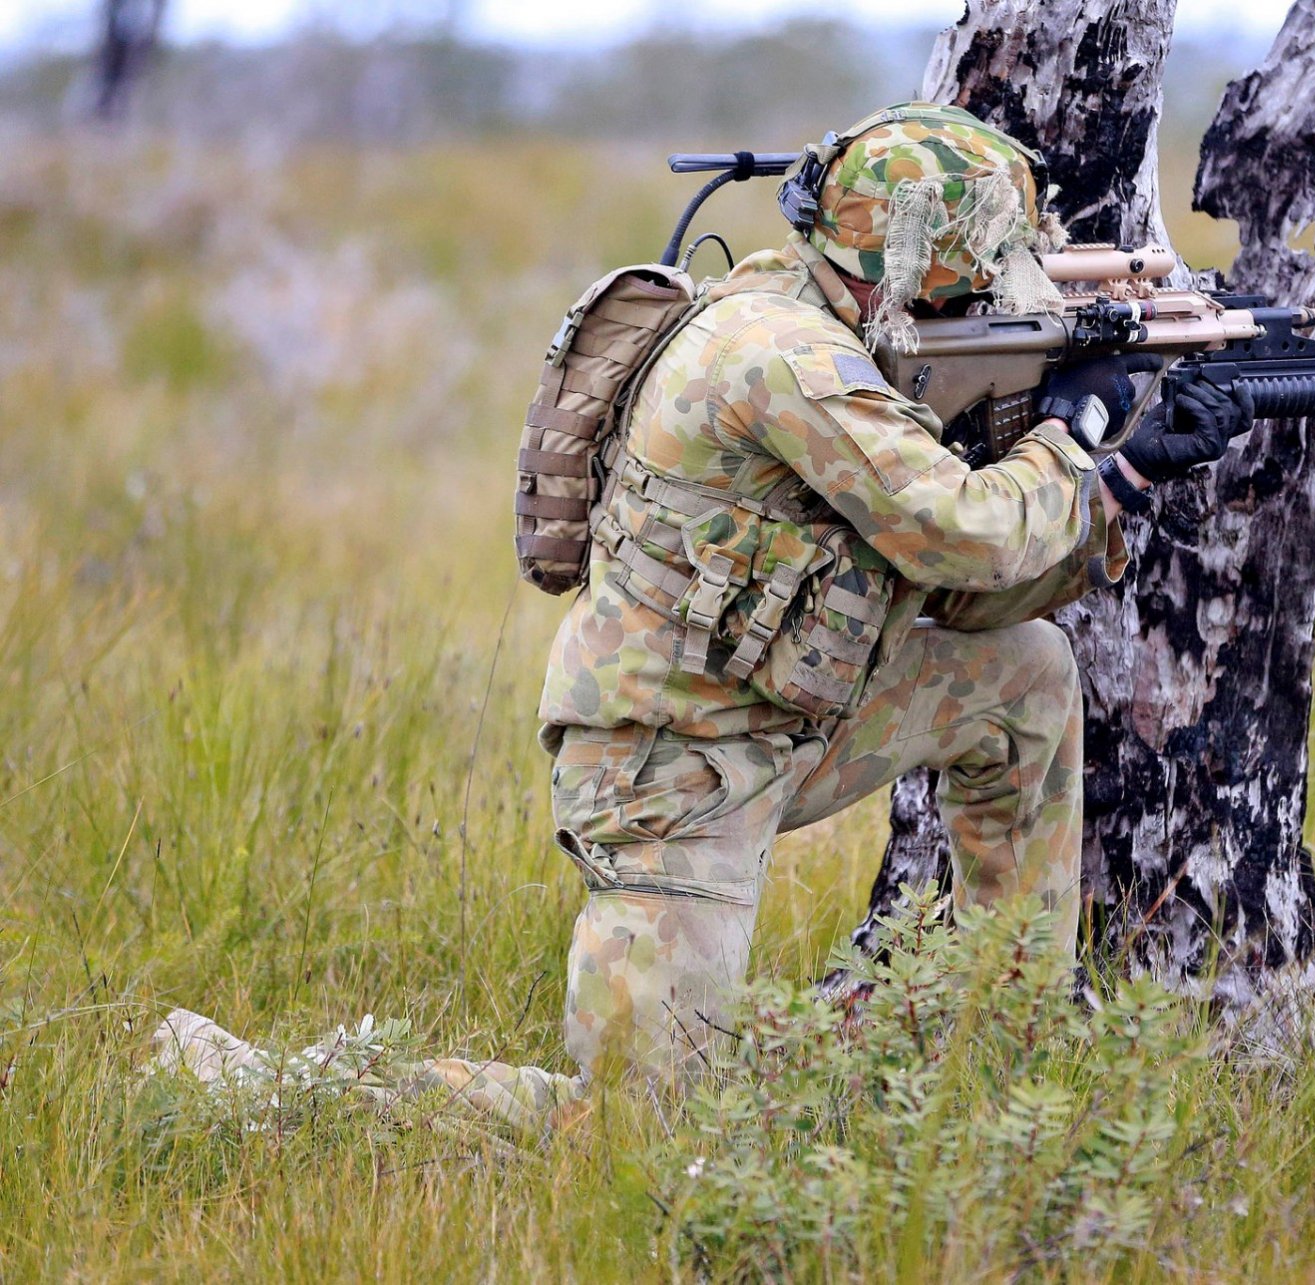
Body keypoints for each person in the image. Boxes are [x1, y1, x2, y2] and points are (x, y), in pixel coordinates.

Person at [151, 102, 1250, 1130]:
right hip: (669, 776)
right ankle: (259, 1085)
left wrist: (1119, 487)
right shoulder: (783, 358)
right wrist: (1089, 446)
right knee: (628, 1130)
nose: (985, 313)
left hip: (780, 723)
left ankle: (1008, 1057)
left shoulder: (818, 310)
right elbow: (962, 531)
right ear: (907, 275)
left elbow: (955, 595)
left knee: (1027, 674)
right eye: (976, 293)